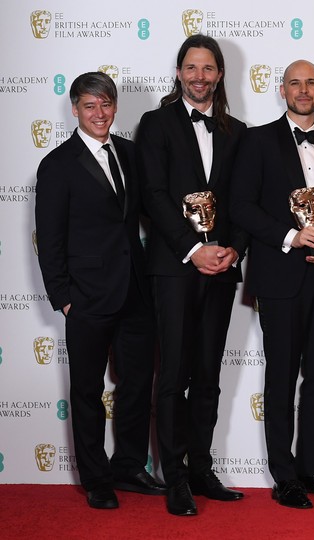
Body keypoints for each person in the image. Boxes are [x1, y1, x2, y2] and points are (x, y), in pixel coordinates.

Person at [229, 60, 314, 509]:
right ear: (281, 89)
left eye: (311, 83)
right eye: (294, 83)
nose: (303, 90)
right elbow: (241, 206)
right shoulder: (257, 140)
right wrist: (291, 236)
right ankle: (284, 477)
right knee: (282, 377)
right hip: (280, 278)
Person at [35, 72, 165, 509]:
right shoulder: (57, 164)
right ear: (74, 109)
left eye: (106, 104)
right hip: (87, 297)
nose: (99, 113)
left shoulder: (129, 153)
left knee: (135, 385)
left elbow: (149, 213)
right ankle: (95, 478)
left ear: (115, 106)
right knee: (88, 390)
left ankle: (128, 466)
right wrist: (64, 297)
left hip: (134, 293)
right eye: (89, 106)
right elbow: (49, 239)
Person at [136, 34, 248, 516]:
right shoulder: (155, 123)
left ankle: (202, 469)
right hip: (175, 269)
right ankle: (175, 476)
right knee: (174, 374)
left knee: (207, 374)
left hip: (221, 269)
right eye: (191, 68)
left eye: (209, 69)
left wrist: (233, 250)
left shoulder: (237, 130)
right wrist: (193, 249)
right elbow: (152, 197)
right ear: (179, 72)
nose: (200, 77)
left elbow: (245, 201)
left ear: (220, 74)